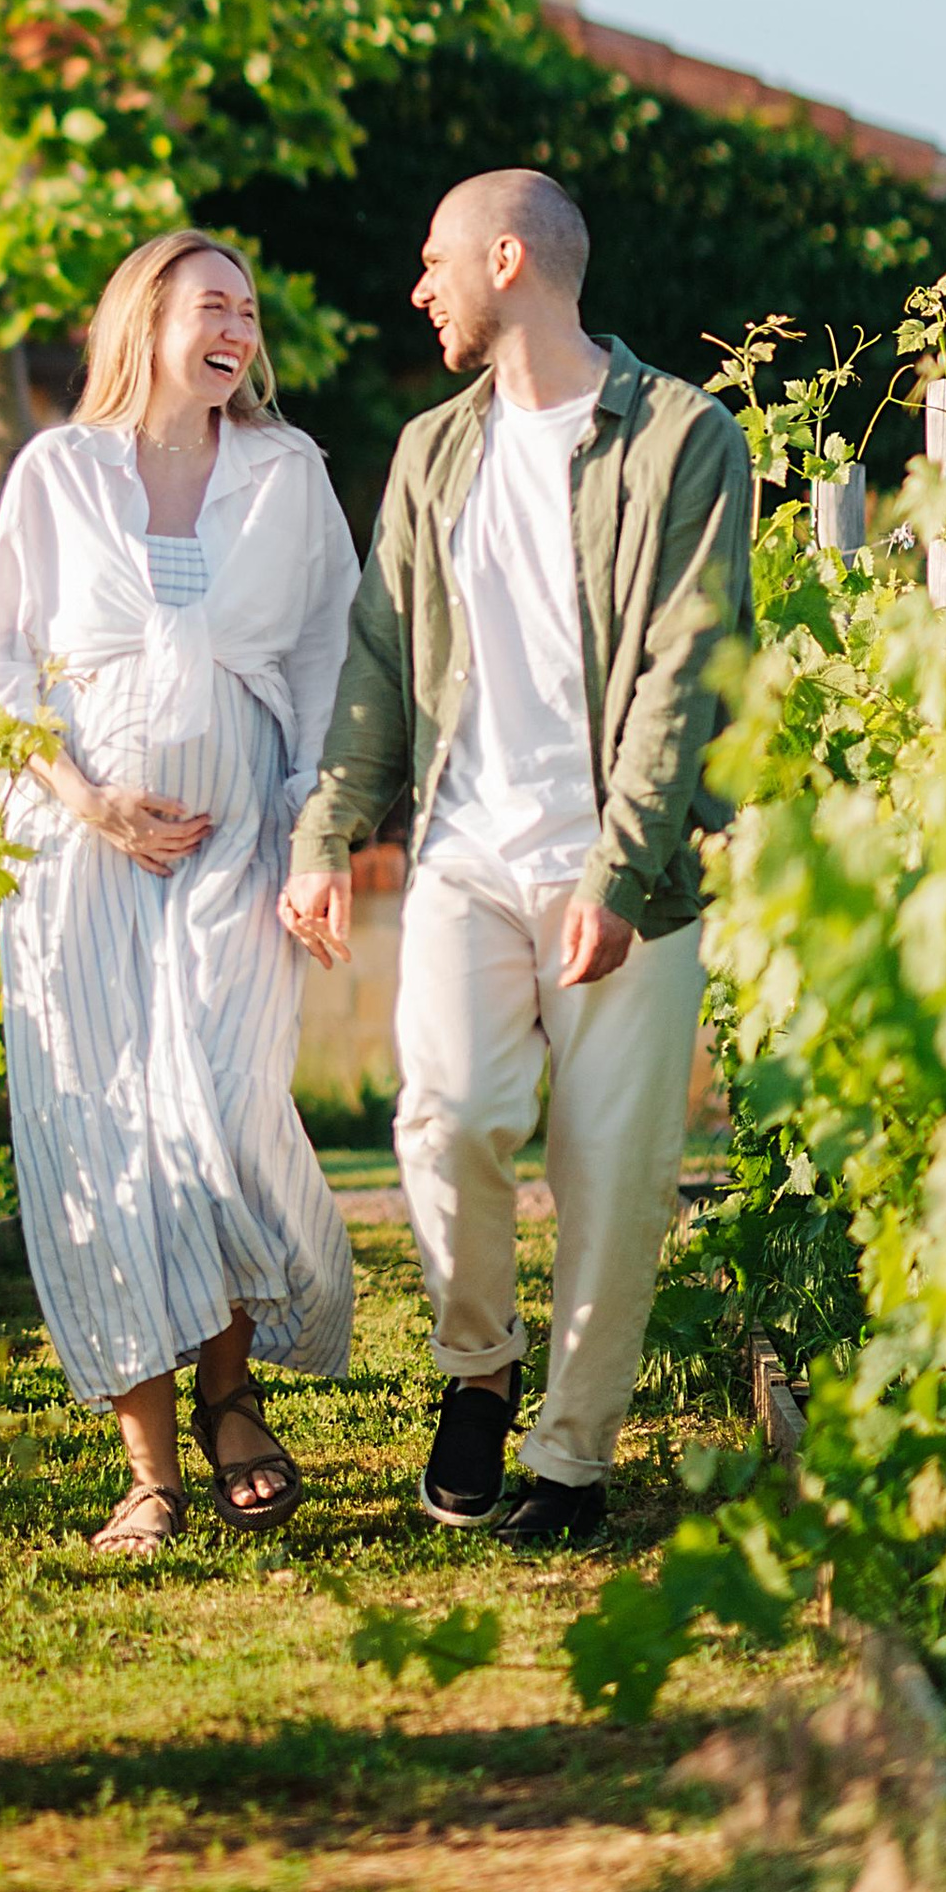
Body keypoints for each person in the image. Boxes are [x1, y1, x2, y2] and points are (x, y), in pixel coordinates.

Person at [281, 169, 751, 1551]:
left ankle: (570, 1455)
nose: (419, 290)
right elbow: (380, 652)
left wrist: (618, 869)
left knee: (613, 1173)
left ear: (506, 260)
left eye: (435, 262)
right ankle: (476, 1367)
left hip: (628, 868)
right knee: (445, 1119)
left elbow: (683, 665)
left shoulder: (682, 438)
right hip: (469, 850)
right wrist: (327, 836)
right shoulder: (434, 451)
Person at [0, 230, 360, 1558]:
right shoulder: (61, 475)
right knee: (105, 1133)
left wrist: (317, 839)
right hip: (81, 853)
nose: (238, 327)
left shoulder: (288, 474)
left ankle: (231, 1389)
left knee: (225, 1113)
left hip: (239, 840)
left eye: (249, 308)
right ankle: (152, 1471)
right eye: (213, 304)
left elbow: (324, 664)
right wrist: (88, 803)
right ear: (148, 320)